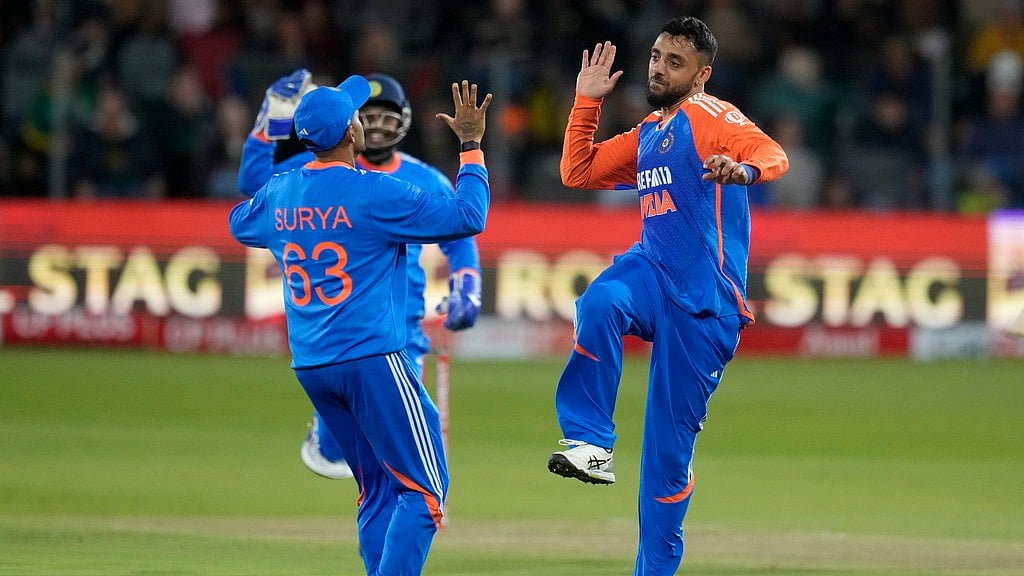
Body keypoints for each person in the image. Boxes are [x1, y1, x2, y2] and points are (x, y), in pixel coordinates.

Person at [546, 17, 788, 575]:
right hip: (652, 273)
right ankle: (590, 443)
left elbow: (773, 153)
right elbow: (577, 172)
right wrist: (586, 102)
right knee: (599, 302)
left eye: (674, 62)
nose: (658, 68)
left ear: (701, 75)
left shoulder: (712, 116)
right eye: (656, 56)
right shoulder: (651, 130)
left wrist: (744, 170)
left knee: (665, 462)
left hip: (706, 306)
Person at [228, 76, 491, 575]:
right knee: (425, 492)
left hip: (312, 365)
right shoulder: (375, 192)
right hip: (374, 358)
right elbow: (469, 216)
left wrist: (269, 127)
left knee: (377, 489)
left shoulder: (282, 193)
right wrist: (472, 145)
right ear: (352, 131)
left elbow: (242, 217)